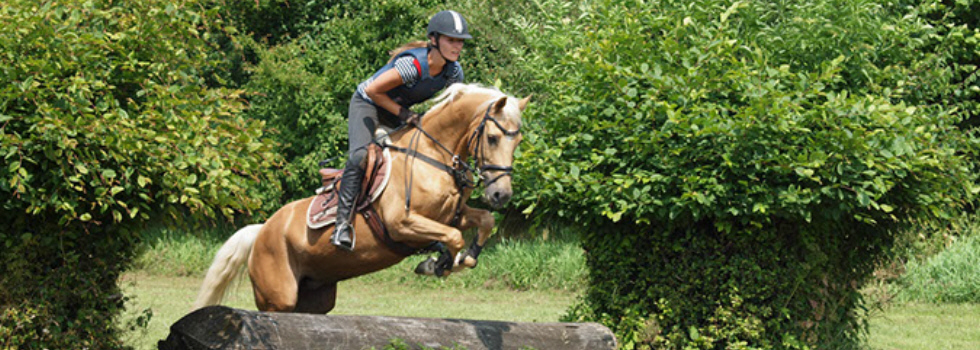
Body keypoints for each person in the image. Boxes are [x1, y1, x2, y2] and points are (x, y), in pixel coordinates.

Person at [330, 10, 473, 251]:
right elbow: (375, 91)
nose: (457, 46)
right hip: (368, 104)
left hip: (397, 109)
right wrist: (404, 114)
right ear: (434, 40)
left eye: (460, 41)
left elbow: (450, 108)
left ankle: (422, 231)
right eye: (451, 40)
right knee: (360, 156)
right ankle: (342, 224)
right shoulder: (413, 65)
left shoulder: (454, 72)